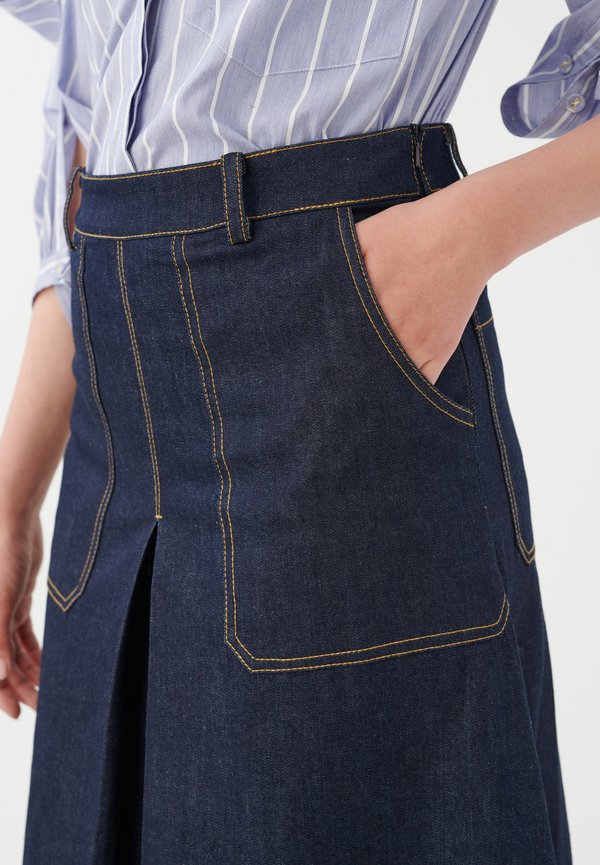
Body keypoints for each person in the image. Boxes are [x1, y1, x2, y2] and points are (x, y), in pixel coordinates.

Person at [1, 2, 599, 863]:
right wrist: (14, 489)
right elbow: (102, 113)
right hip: (113, 427)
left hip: (333, 363)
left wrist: (462, 237)